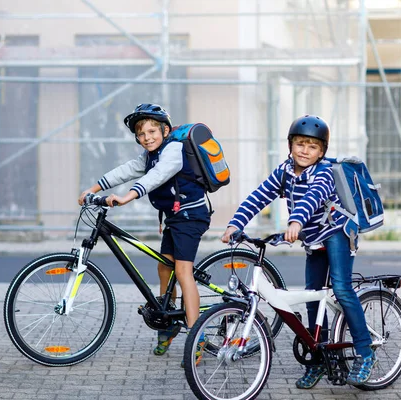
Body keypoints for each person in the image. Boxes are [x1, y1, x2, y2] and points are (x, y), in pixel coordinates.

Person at [220, 115, 377, 388]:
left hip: (337, 231)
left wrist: (295, 222)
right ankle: (320, 358)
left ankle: (365, 352)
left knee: (341, 288)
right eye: (300, 144)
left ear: (322, 151)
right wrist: (236, 223)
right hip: (313, 237)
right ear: (290, 145)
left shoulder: (325, 172)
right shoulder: (284, 170)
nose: (305, 151)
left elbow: (312, 198)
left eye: (313, 146)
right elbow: (259, 195)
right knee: (313, 296)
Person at [78, 103, 210, 362]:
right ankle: (168, 319)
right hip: (174, 218)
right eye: (141, 134)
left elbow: (158, 176)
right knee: (165, 268)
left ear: (165, 130)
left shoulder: (173, 149)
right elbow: (126, 170)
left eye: (152, 131)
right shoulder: (149, 155)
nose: (147, 137)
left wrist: (128, 196)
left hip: (191, 216)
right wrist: (91, 188)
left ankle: (197, 337)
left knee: (183, 271)